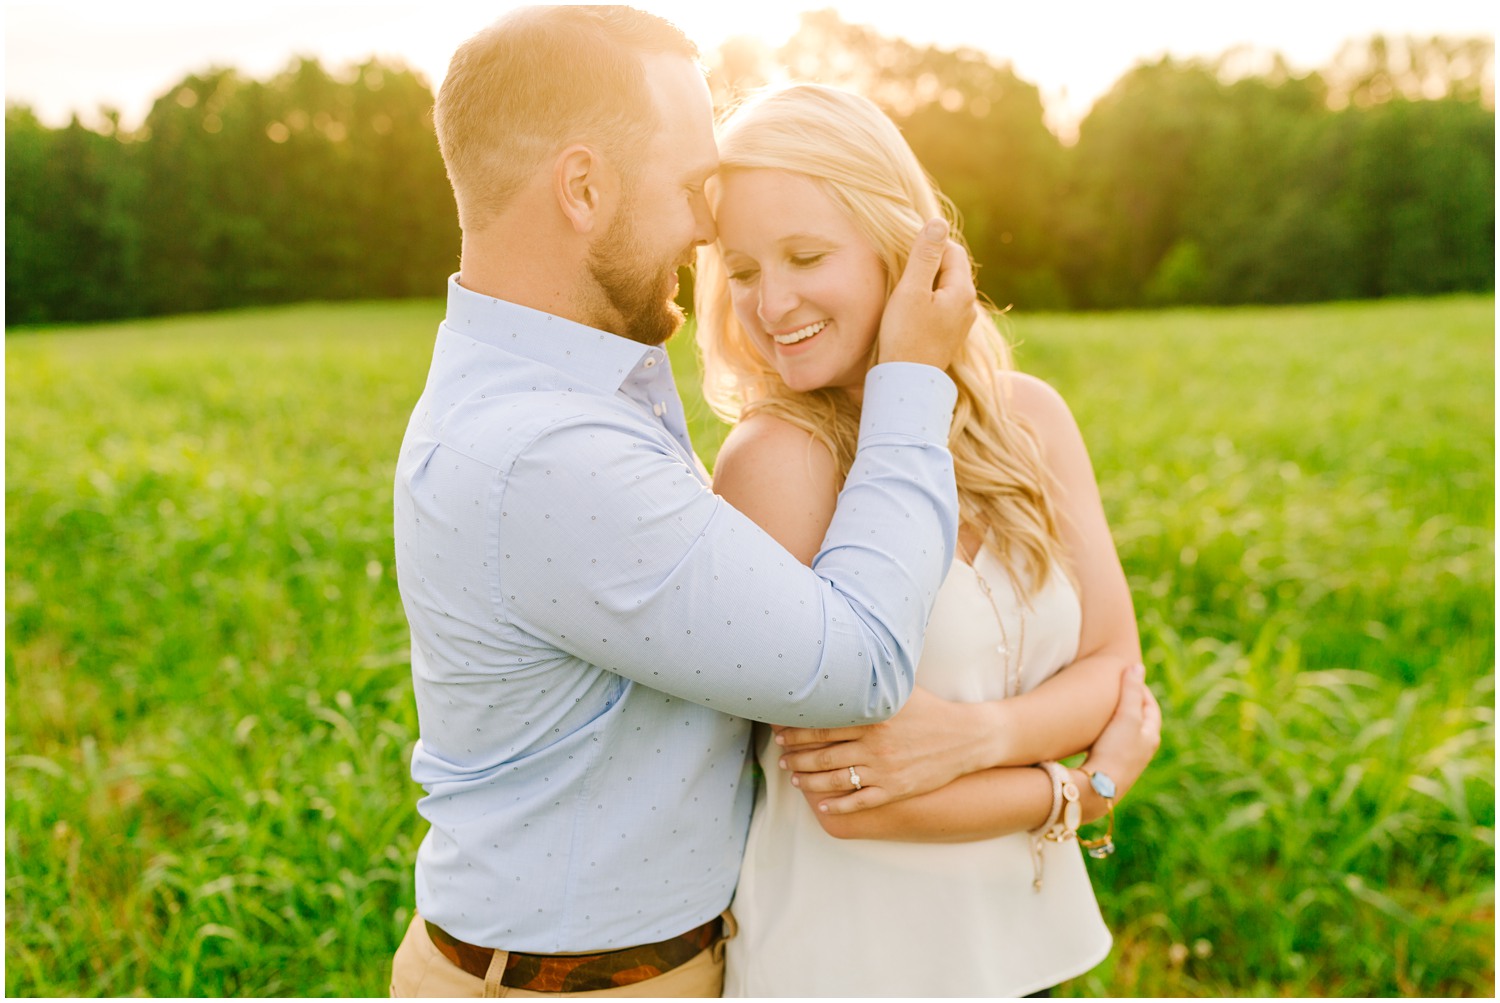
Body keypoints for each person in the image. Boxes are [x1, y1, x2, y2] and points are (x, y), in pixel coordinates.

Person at [389, 7, 984, 997]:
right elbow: (861, 664)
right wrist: (911, 379)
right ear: (582, 187)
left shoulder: (541, 391)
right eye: (690, 185)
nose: (709, 225)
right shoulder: (549, 454)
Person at [693, 83, 1163, 997]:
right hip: (852, 968)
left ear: (902, 251)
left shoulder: (1029, 418)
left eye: (805, 254)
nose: (771, 300)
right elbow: (854, 799)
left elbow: (1116, 667)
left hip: (1029, 954)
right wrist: (1079, 789)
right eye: (743, 270)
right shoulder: (775, 461)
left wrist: (975, 736)